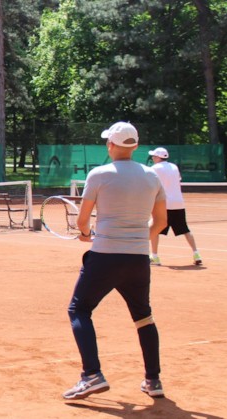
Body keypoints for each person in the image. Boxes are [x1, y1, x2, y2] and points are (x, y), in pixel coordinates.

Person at [62, 122, 168, 400]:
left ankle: (92, 375)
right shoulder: (152, 176)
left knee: (79, 309)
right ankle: (153, 380)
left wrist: (86, 234)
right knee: (144, 316)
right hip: (138, 260)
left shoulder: (99, 174)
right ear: (135, 146)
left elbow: (82, 220)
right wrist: (137, 239)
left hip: (105, 256)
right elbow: (161, 222)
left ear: (110, 145)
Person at [148, 147, 202, 266]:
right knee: (185, 229)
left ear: (158, 157)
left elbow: (150, 184)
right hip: (178, 203)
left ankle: (155, 257)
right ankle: (196, 254)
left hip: (163, 204)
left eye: (154, 156)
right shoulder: (174, 167)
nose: (152, 158)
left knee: (154, 229)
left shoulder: (154, 168)